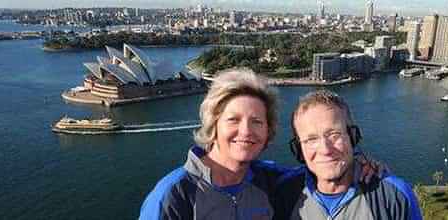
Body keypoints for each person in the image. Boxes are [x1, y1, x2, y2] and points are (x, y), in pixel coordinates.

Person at [138, 69, 381, 220]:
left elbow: (320, 168)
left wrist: (356, 158)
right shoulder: (174, 194)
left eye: (257, 121)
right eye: (233, 119)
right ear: (214, 125)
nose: (246, 131)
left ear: (268, 132)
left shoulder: (270, 181)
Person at [275, 90, 423, 220]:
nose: (325, 150)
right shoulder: (283, 193)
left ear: (352, 136)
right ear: (299, 149)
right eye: (311, 139)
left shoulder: (394, 196)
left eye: (334, 134)